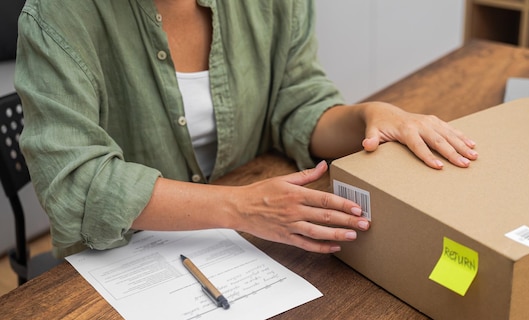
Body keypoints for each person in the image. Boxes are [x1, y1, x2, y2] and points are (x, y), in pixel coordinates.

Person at [15, 0, 477, 258]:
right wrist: (241, 206)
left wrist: (367, 117)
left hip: (248, 245)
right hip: (122, 255)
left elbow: (297, 101)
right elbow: (75, 184)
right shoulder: (58, 16)